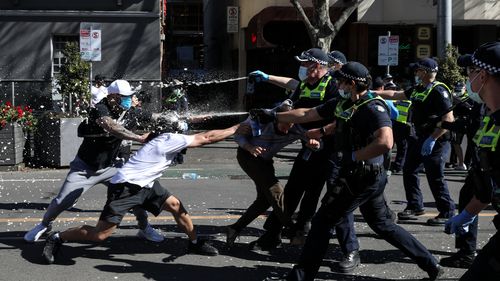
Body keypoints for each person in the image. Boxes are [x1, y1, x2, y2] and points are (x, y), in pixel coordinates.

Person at [255, 61, 443, 281]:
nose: (337, 84)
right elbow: (307, 113)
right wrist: (274, 116)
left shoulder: (373, 107)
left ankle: (300, 276)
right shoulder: (345, 103)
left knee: (322, 222)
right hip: (364, 175)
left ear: (352, 84)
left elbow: (385, 142)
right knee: (382, 224)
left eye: (341, 81)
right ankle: (431, 264)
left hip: (363, 175)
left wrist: (351, 156)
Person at [41, 117, 242, 264]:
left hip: (147, 184)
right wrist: (236, 127)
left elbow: (151, 136)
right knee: (100, 235)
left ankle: (195, 242)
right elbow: (207, 137)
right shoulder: (171, 139)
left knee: (175, 205)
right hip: (126, 186)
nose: (186, 143)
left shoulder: (160, 138)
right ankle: (58, 237)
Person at [24, 80, 163, 243]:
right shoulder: (99, 109)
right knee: (62, 201)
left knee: (135, 193)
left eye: (128, 96)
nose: (127, 100)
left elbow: (156, 117)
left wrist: (184, 120)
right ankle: (44, 225)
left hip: (113, 167)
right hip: (85, 168)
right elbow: (111, 126)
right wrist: (139, 138)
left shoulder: (130, 112)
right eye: (123, 97)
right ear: (112, 97)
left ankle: (144, 227)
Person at [440, 42, 500, 281]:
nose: (467, 79)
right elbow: (488, 183)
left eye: (470, 71)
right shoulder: (490, 120)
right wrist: (466, 214)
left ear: (482, 75)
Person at [226, 100, 320, 247]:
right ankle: (293, 231)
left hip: (265, 161)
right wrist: (250, 147)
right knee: (276, 191)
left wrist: (315, 145)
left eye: (290, 124)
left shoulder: (296, 128)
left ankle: (235, 228)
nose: (286, 129)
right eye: (284, 124)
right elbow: (238, 135)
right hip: (248, 156)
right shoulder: (262, 119)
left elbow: (314, 142)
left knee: (264, 200)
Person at [377, 58, 456, 225]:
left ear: (426, 72)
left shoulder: (439, 90)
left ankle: (447, 211)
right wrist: (373, 93)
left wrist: (433, 139)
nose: (416, 73)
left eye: (419, 70)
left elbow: (448, 119)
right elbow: (396, 94)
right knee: (409, 169)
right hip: (420, 137)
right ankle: (415, 206)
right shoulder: (419, 88)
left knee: (435, 174)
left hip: (437, 139)